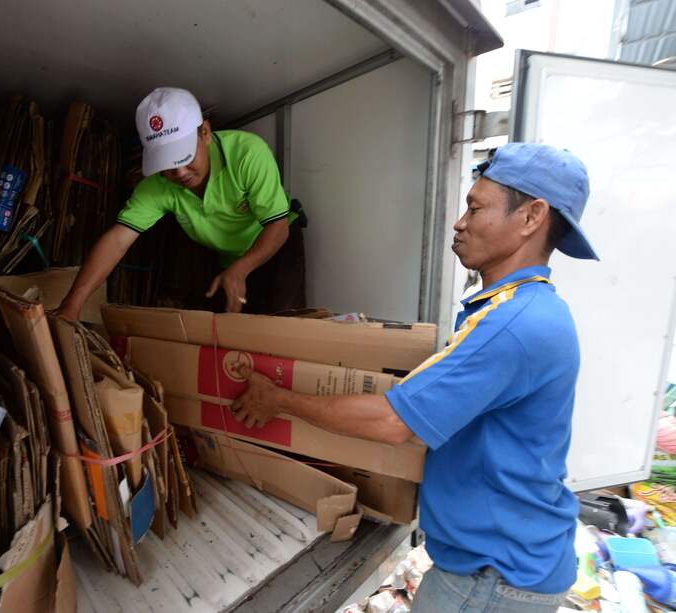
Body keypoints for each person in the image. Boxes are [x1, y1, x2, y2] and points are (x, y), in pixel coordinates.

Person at [232, 143, 599, 612]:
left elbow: (392, 422)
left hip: (492, 579)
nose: (459, 221)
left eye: (475, 207)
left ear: (531, 216)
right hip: (505, 565)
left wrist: (277, 399)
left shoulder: (516, 324)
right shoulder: (522, 311)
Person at [58, 87, 304, 320]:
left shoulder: (248, 153)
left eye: (185, 157)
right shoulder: (157, 185)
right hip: (227, 259)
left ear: (205, 133)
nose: (180, 172)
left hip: (277, 246)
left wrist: (241, 269)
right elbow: (117, 241)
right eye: (168, 164)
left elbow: (278, 226)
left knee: (280, 322)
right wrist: (71, 307)